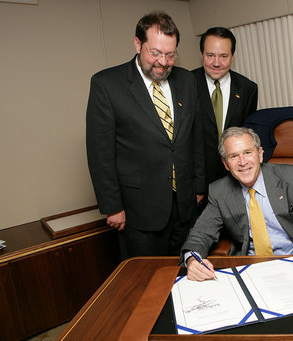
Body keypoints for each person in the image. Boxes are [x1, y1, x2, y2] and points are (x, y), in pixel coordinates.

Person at [86, 11, 205, 257]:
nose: (163, 62)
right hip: (138, 210)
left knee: (187, 277)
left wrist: (199, 186)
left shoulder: (187, 81)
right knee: (148, 285)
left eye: (170, 55)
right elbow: (101, 153)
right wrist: (112, 207)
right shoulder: (107, 85)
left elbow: (196, 138)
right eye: (155, 53)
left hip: (185, 205)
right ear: (138, 44)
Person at [181, 127, 293, 293]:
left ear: (260, 154)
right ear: (225, 164)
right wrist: (192, 260)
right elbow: (201, 233)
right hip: (250, 268)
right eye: (234, 156)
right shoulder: (219, 191)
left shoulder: (291, 178)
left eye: (248, 152)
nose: (242, 162)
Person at [192, 27, 258, 187]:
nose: (216, 63)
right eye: (210, 55)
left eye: (223, 56)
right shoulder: (186, 84)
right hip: (197, 178)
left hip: (235, 175)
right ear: (202, 54)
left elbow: (246, 135)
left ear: (232, 56)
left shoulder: (247, 88)